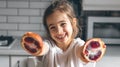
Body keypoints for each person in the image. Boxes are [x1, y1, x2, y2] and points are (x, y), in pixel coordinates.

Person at [28, 0, 96, 67]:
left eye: (63, 24)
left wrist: (87, 51)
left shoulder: (77, 45)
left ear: (73, 23)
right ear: (48, 30)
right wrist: (36, 47)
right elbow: (43, 48)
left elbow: (81, 53)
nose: (59, 31)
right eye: (52, 27)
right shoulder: (49, 46)